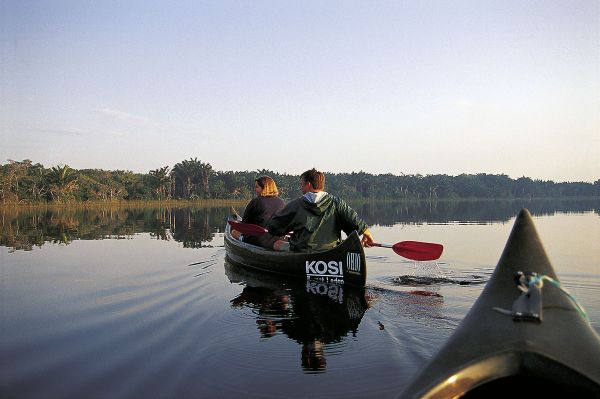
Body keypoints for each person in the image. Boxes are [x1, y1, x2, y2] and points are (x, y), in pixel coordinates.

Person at [267, 168, 374, 252]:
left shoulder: (296, 204)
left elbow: (274, 227)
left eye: (301, 184)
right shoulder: (337, 203)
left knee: (277, 244)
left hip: (303, 252)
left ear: (308, 185)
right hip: (331, 251)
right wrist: (366, 233)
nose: (300, 187)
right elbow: (356, 222)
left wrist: (285, 232)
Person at [231, 175, 285, 249]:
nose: (255, 189)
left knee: (234, 232)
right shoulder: (281, 202)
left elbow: (245, 224)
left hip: (259, 240)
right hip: (278, 238)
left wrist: (237, 224)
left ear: (264, 188)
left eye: (257, 187)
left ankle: (241, 240)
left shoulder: (255, 201)